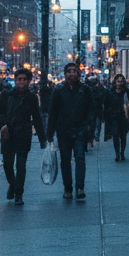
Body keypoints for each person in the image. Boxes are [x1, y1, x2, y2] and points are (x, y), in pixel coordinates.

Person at [0, 67, 47, 205]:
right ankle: (12, 184)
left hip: (23, 135)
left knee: (21, 166)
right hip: (8, 135)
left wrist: (42, 138)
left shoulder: (31, 97)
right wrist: (2, 126)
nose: (21, 82)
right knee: (8, 165)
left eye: (24, 79)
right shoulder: (6, 95)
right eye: (19, 79)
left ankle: (19, 194)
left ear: (28, 81)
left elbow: (37, 118)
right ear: (15, 80)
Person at [48, 62, 93, 199]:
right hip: (63, 131)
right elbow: (53, 112)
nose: (71, 73)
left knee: (80, 158)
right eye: (69, 71)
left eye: (74, 71)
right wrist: (49, 133)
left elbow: (91, 111)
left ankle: (79, 188)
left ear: (78, 73)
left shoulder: (85, 90)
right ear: (65, 74)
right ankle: (68, 188)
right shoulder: (58, 90)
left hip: (80, 129)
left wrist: (90, 131)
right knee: (65, 160)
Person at [103, 72, 129, 161]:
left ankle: (122, 152)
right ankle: (117, 153)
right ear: (115, 82)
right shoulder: (110, 92)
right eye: (118, 81)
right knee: (115, 135)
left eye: (121, 81)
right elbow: (106, 104)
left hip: (124, 117)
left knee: (123, 136)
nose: (120, 83)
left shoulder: (127, 92)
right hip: (114, 117)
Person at [87, 75, 106, 148]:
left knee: (93, 124)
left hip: (93, 109)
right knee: (97, 123)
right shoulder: (100, 89)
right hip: (98, 108)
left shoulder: (89, 90)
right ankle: (96, 136)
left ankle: (92, 137)